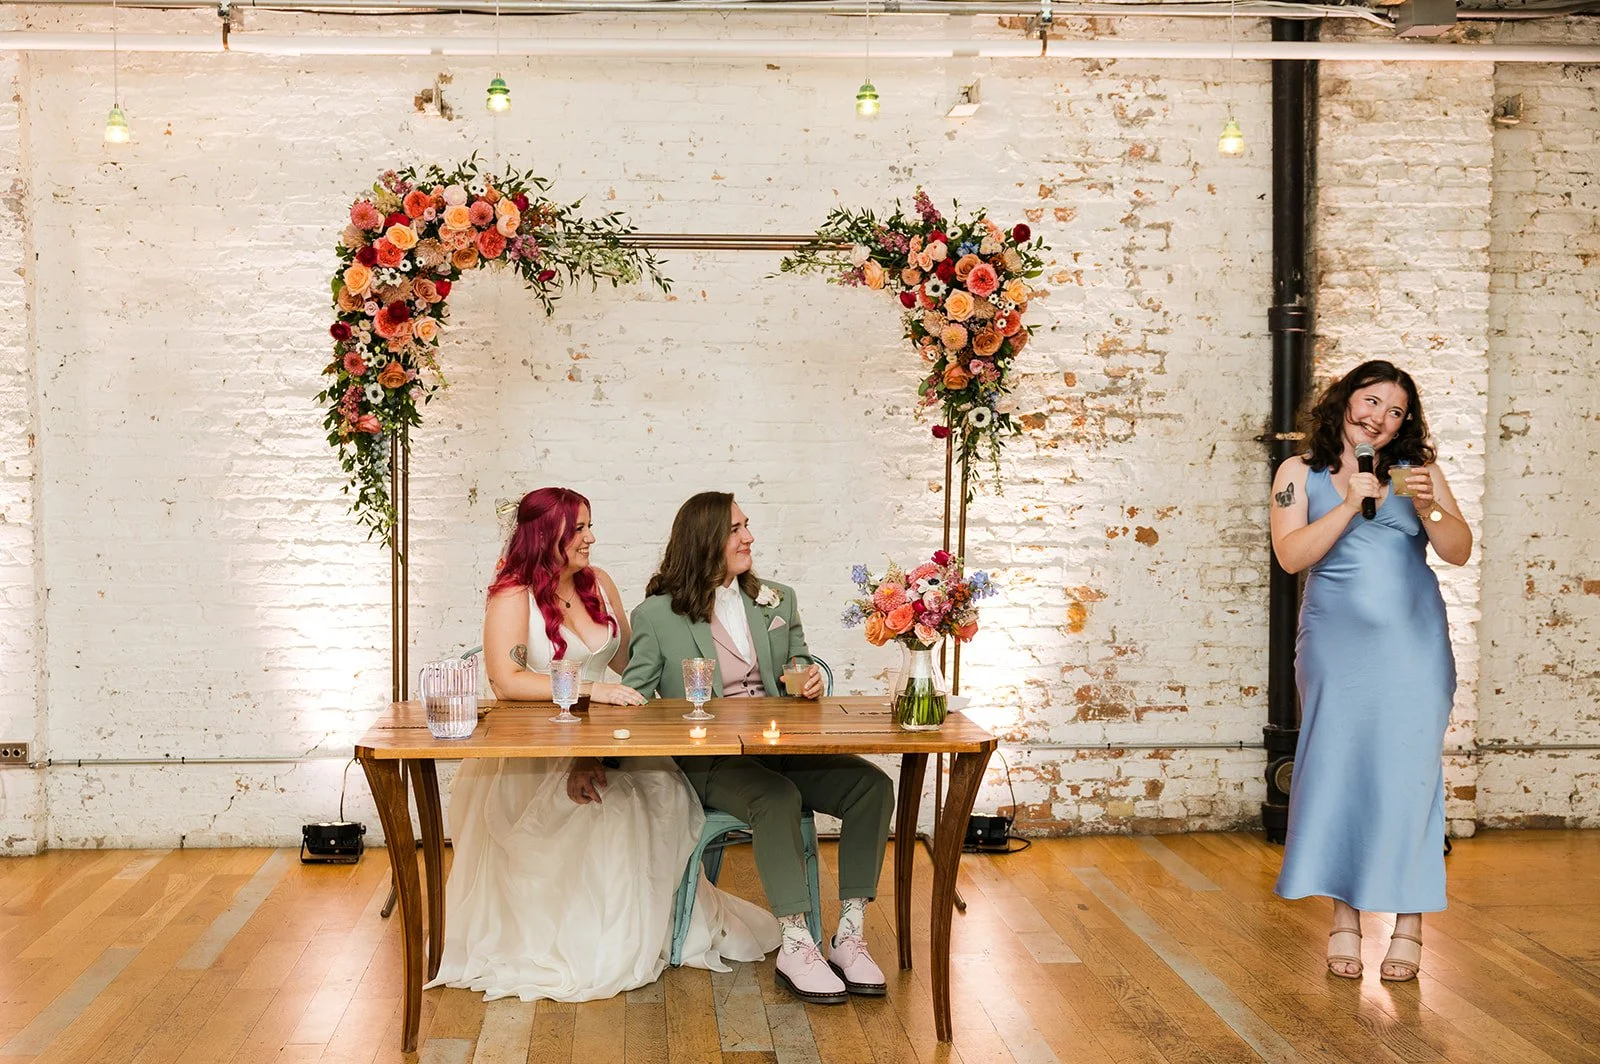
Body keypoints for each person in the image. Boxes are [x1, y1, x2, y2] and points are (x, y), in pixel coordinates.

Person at [428, 487, 778, 1003]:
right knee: (607, 813)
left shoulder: (601, 584)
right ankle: (591, 943)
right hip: (538, 752)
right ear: (546, 535)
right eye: (580, 529)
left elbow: (637, 665)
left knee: (660, 791)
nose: (591, 537)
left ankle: (661, 927)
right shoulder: (512, 594)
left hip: (610, 738)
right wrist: (592, 690)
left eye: (591, 525)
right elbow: (506, 681)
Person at [622, 491, 895, 1006]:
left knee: (871, 787)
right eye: (735, 529)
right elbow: (636, 696)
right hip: (711, 764)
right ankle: (796, 941)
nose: (749, 537)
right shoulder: (656, 616)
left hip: (783, 750)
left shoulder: (777, 599)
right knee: (775, 798)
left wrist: (812, 679)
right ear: (704, 540)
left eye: (748, 526)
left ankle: (849, 934)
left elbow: (799, 665)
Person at [1269, 361, 1472, 983]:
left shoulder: (1420, 472)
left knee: (1412, 776)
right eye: (1371, 401)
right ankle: (1345, 921)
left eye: (1396, 411)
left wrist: (1431, 507)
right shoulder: (1296, 474)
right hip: (1335, 643)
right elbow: (1290, 556)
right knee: (1341, 772)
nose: (1380, 418)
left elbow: (1459, 550)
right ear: (1344, 400)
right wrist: (1350, 502)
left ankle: (1409, 924)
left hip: (1414, 645)